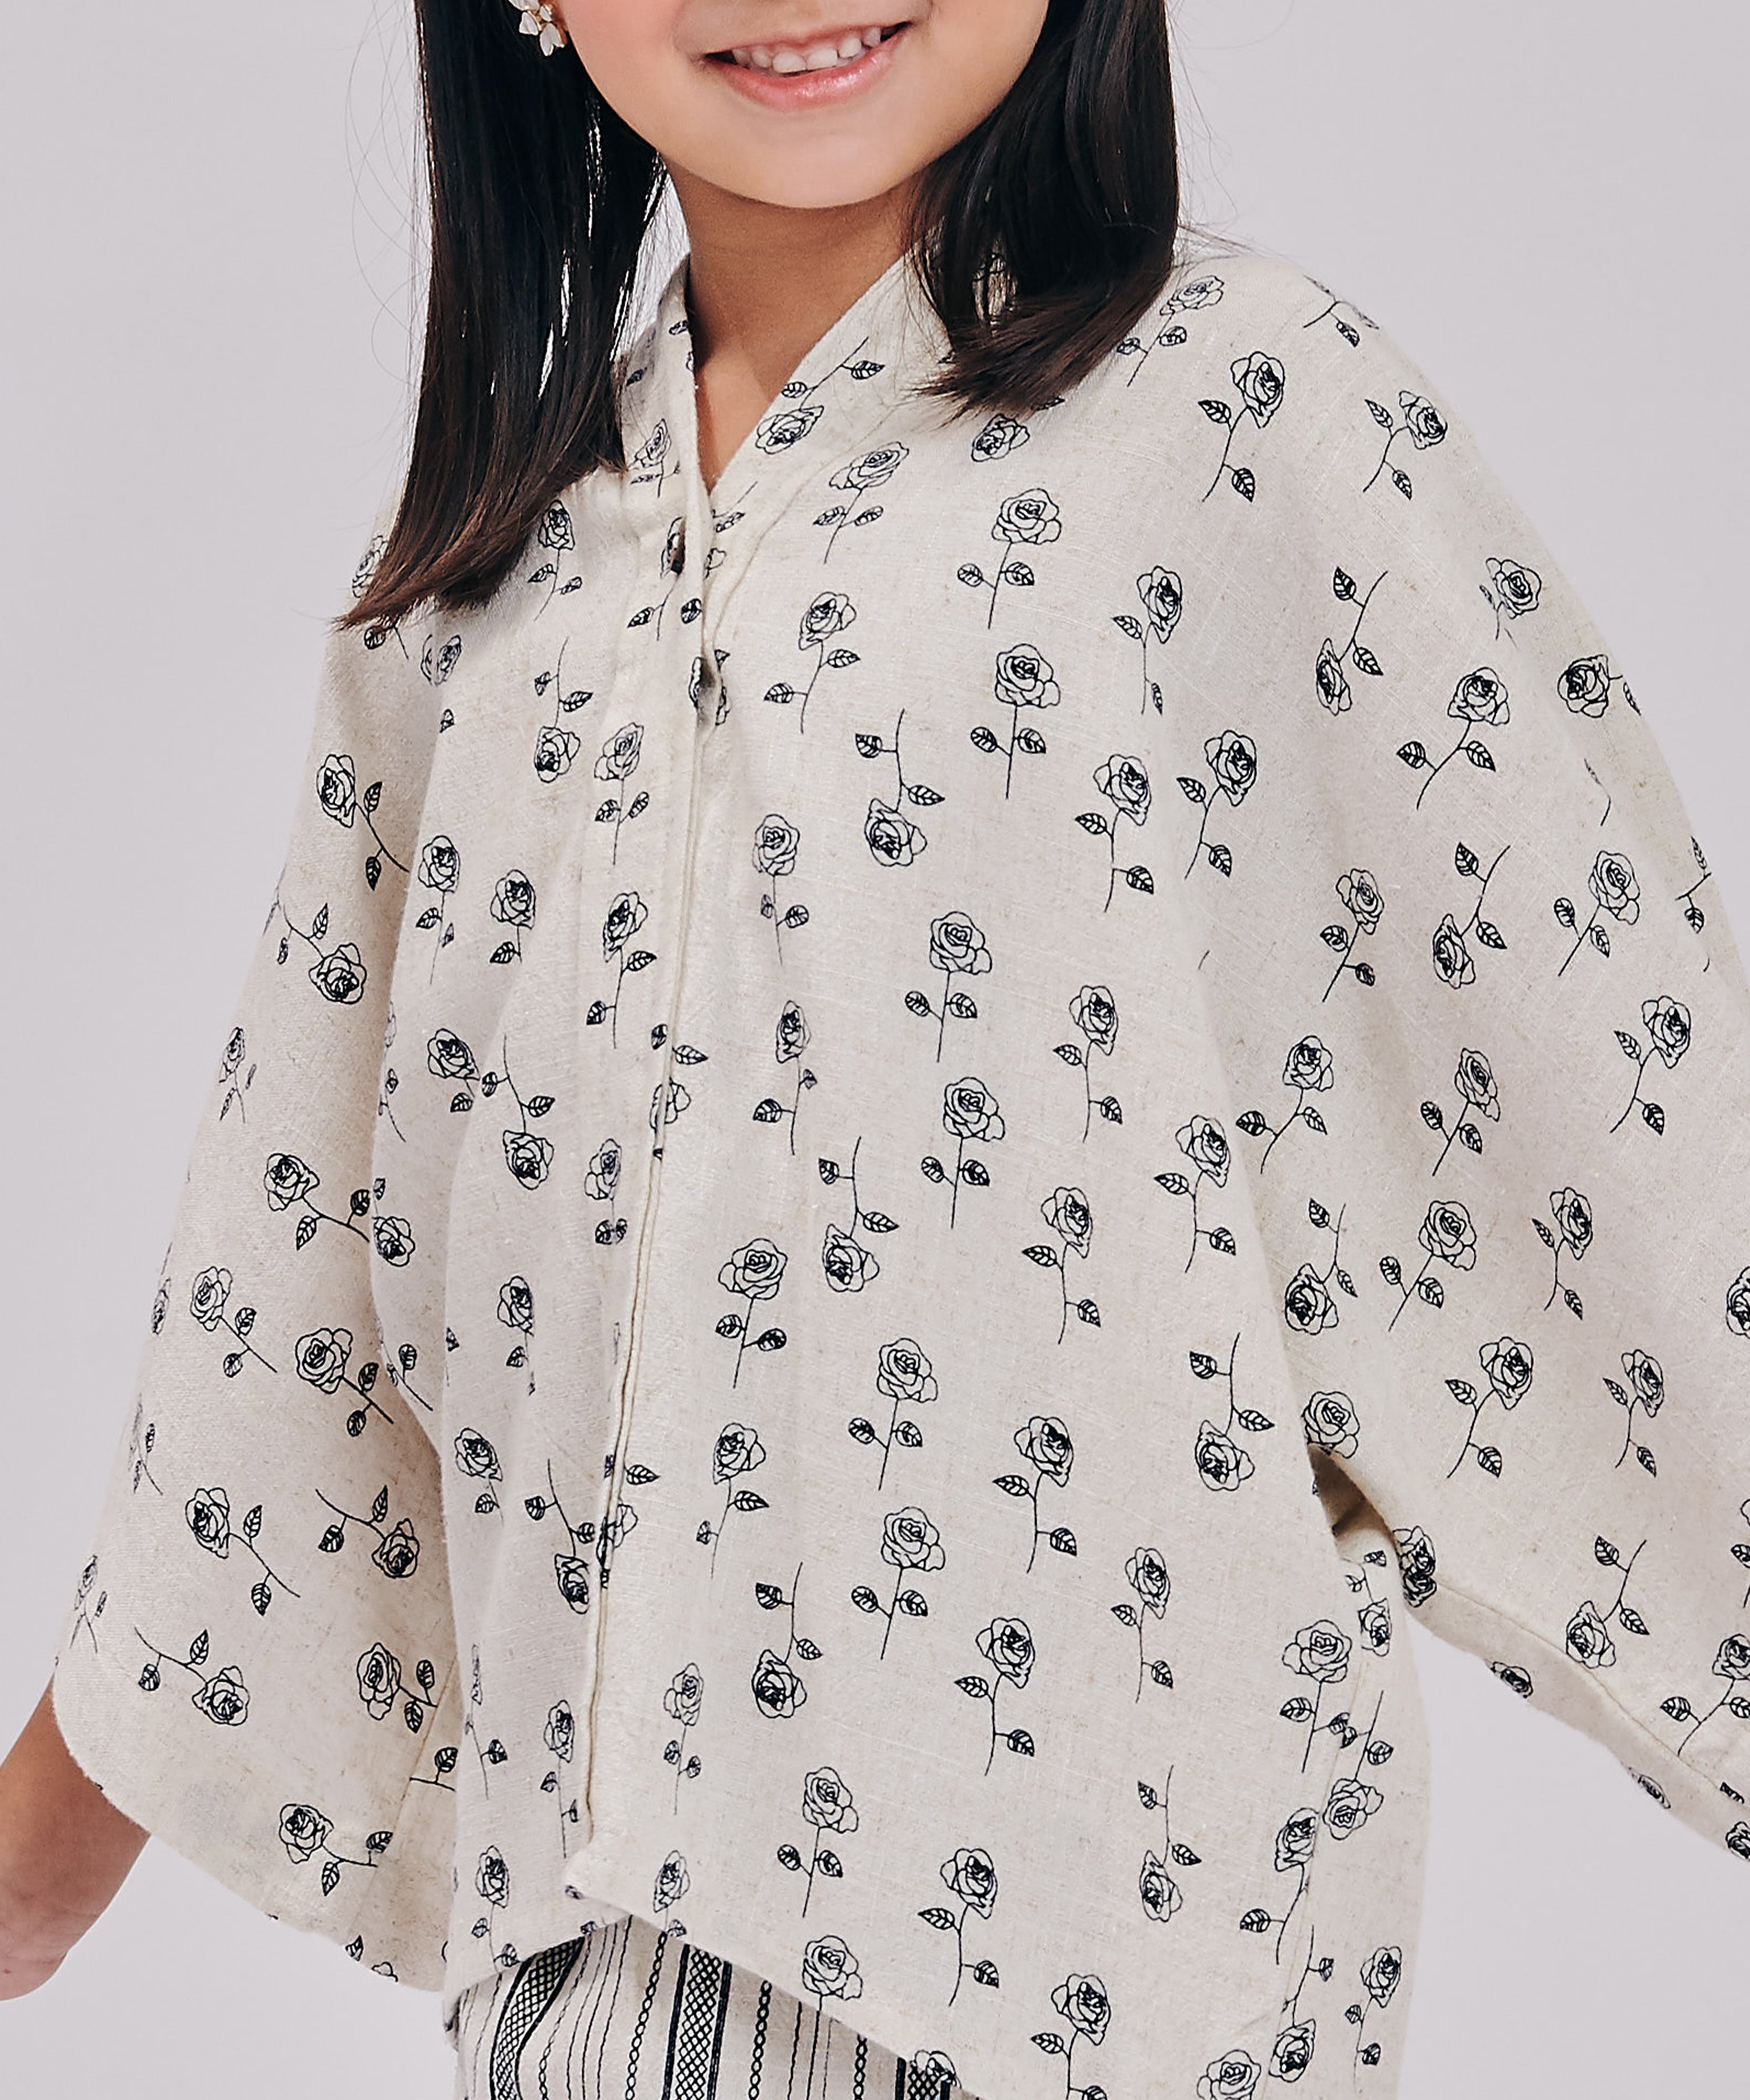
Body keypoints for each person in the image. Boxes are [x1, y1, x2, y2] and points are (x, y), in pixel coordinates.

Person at [5, 4, 1749, 2097]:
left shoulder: (1242, 431)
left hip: (1100, 1998)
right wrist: (37, 1868)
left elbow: (1622, 1144)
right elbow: (287, 1290)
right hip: (586, 2002)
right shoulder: (475, 587)